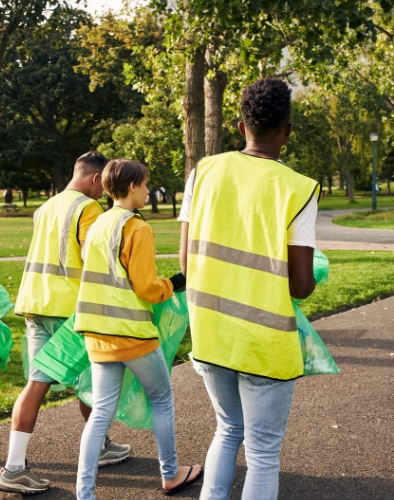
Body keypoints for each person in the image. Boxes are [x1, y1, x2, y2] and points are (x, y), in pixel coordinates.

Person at [178, 78, 320, 500]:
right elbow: (301, 285)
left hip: (211, 331)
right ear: (288, 130)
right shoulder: (298, 188)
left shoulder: (203, 171)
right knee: (262, 452)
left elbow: (187, 262)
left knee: (227, 429)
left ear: (241, 127)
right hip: (263, 339)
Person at [0, 151, 132, 494]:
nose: (104, 193)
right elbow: (94, 256)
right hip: (68, 308)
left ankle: (14, 466)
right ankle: (97, 448)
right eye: (103, 185)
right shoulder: (87, 208)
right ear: (95, 178)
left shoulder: (47, 207)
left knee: (37, 384)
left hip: (35, 303)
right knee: (91, 378)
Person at [74, 159, 203, 499]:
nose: (148, 191)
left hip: (96, 333)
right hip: (133, 334)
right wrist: (174, 283)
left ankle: (84, 492)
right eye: (145, 185)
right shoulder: (138, 228)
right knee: (161, 399)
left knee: (101, 413)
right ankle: (171, 474)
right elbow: (146, 288)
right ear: (132, 187)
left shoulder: (99, 224)